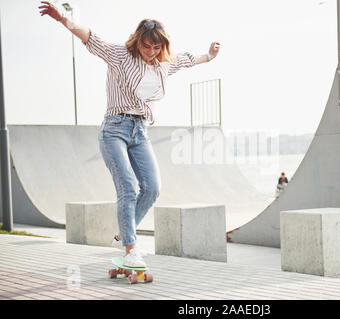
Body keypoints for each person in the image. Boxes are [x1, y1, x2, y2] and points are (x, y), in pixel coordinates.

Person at [39, 1, 220, 268]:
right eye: (147, 46)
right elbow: (89, 36)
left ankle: (125, 231)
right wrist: (62, 19)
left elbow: (187, 60)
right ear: (138, 42)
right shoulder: (119, 55)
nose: (151, 52)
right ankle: (131, 249)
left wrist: (210, 56)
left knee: (153, 188)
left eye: (156, 47)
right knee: (128, 188)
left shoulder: (163, 63)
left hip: (140, 132)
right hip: (113, 130)